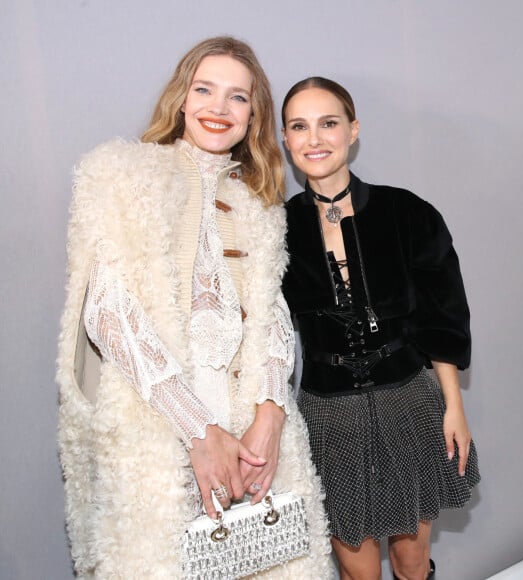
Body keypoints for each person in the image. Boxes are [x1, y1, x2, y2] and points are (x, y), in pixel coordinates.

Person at [57, 38, 331, 579]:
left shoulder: (259, 199)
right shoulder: (120, 175)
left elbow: (272, 313)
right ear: (182, 97)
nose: (218, 107)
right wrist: (199, 431)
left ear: (253, 115)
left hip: (253, 427)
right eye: (204, 89)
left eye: (237, 97)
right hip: (158, 425)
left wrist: (271, 417)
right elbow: (108, 311)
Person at [281, 76, 481, 580]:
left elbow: (444, 315)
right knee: (358, 571)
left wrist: (454, 406)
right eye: (299, 127)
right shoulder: (274, 231)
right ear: (285, 140)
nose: (315, 139)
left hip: (409, 405)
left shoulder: (406, 213)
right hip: (328, 419)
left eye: (328, 123)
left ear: (353, 130)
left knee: (412, 561)